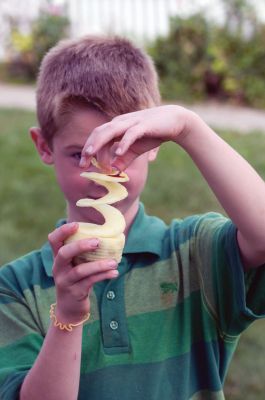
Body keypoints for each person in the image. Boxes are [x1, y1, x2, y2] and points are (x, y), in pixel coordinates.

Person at [0, 35, 264, 400]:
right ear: (44, 146)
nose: (106, 174)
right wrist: (68, 316)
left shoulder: (193, 254)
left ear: (153, 145)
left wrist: (189, 128)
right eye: (80, 155)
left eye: (124, 148)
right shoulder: (16, 288)